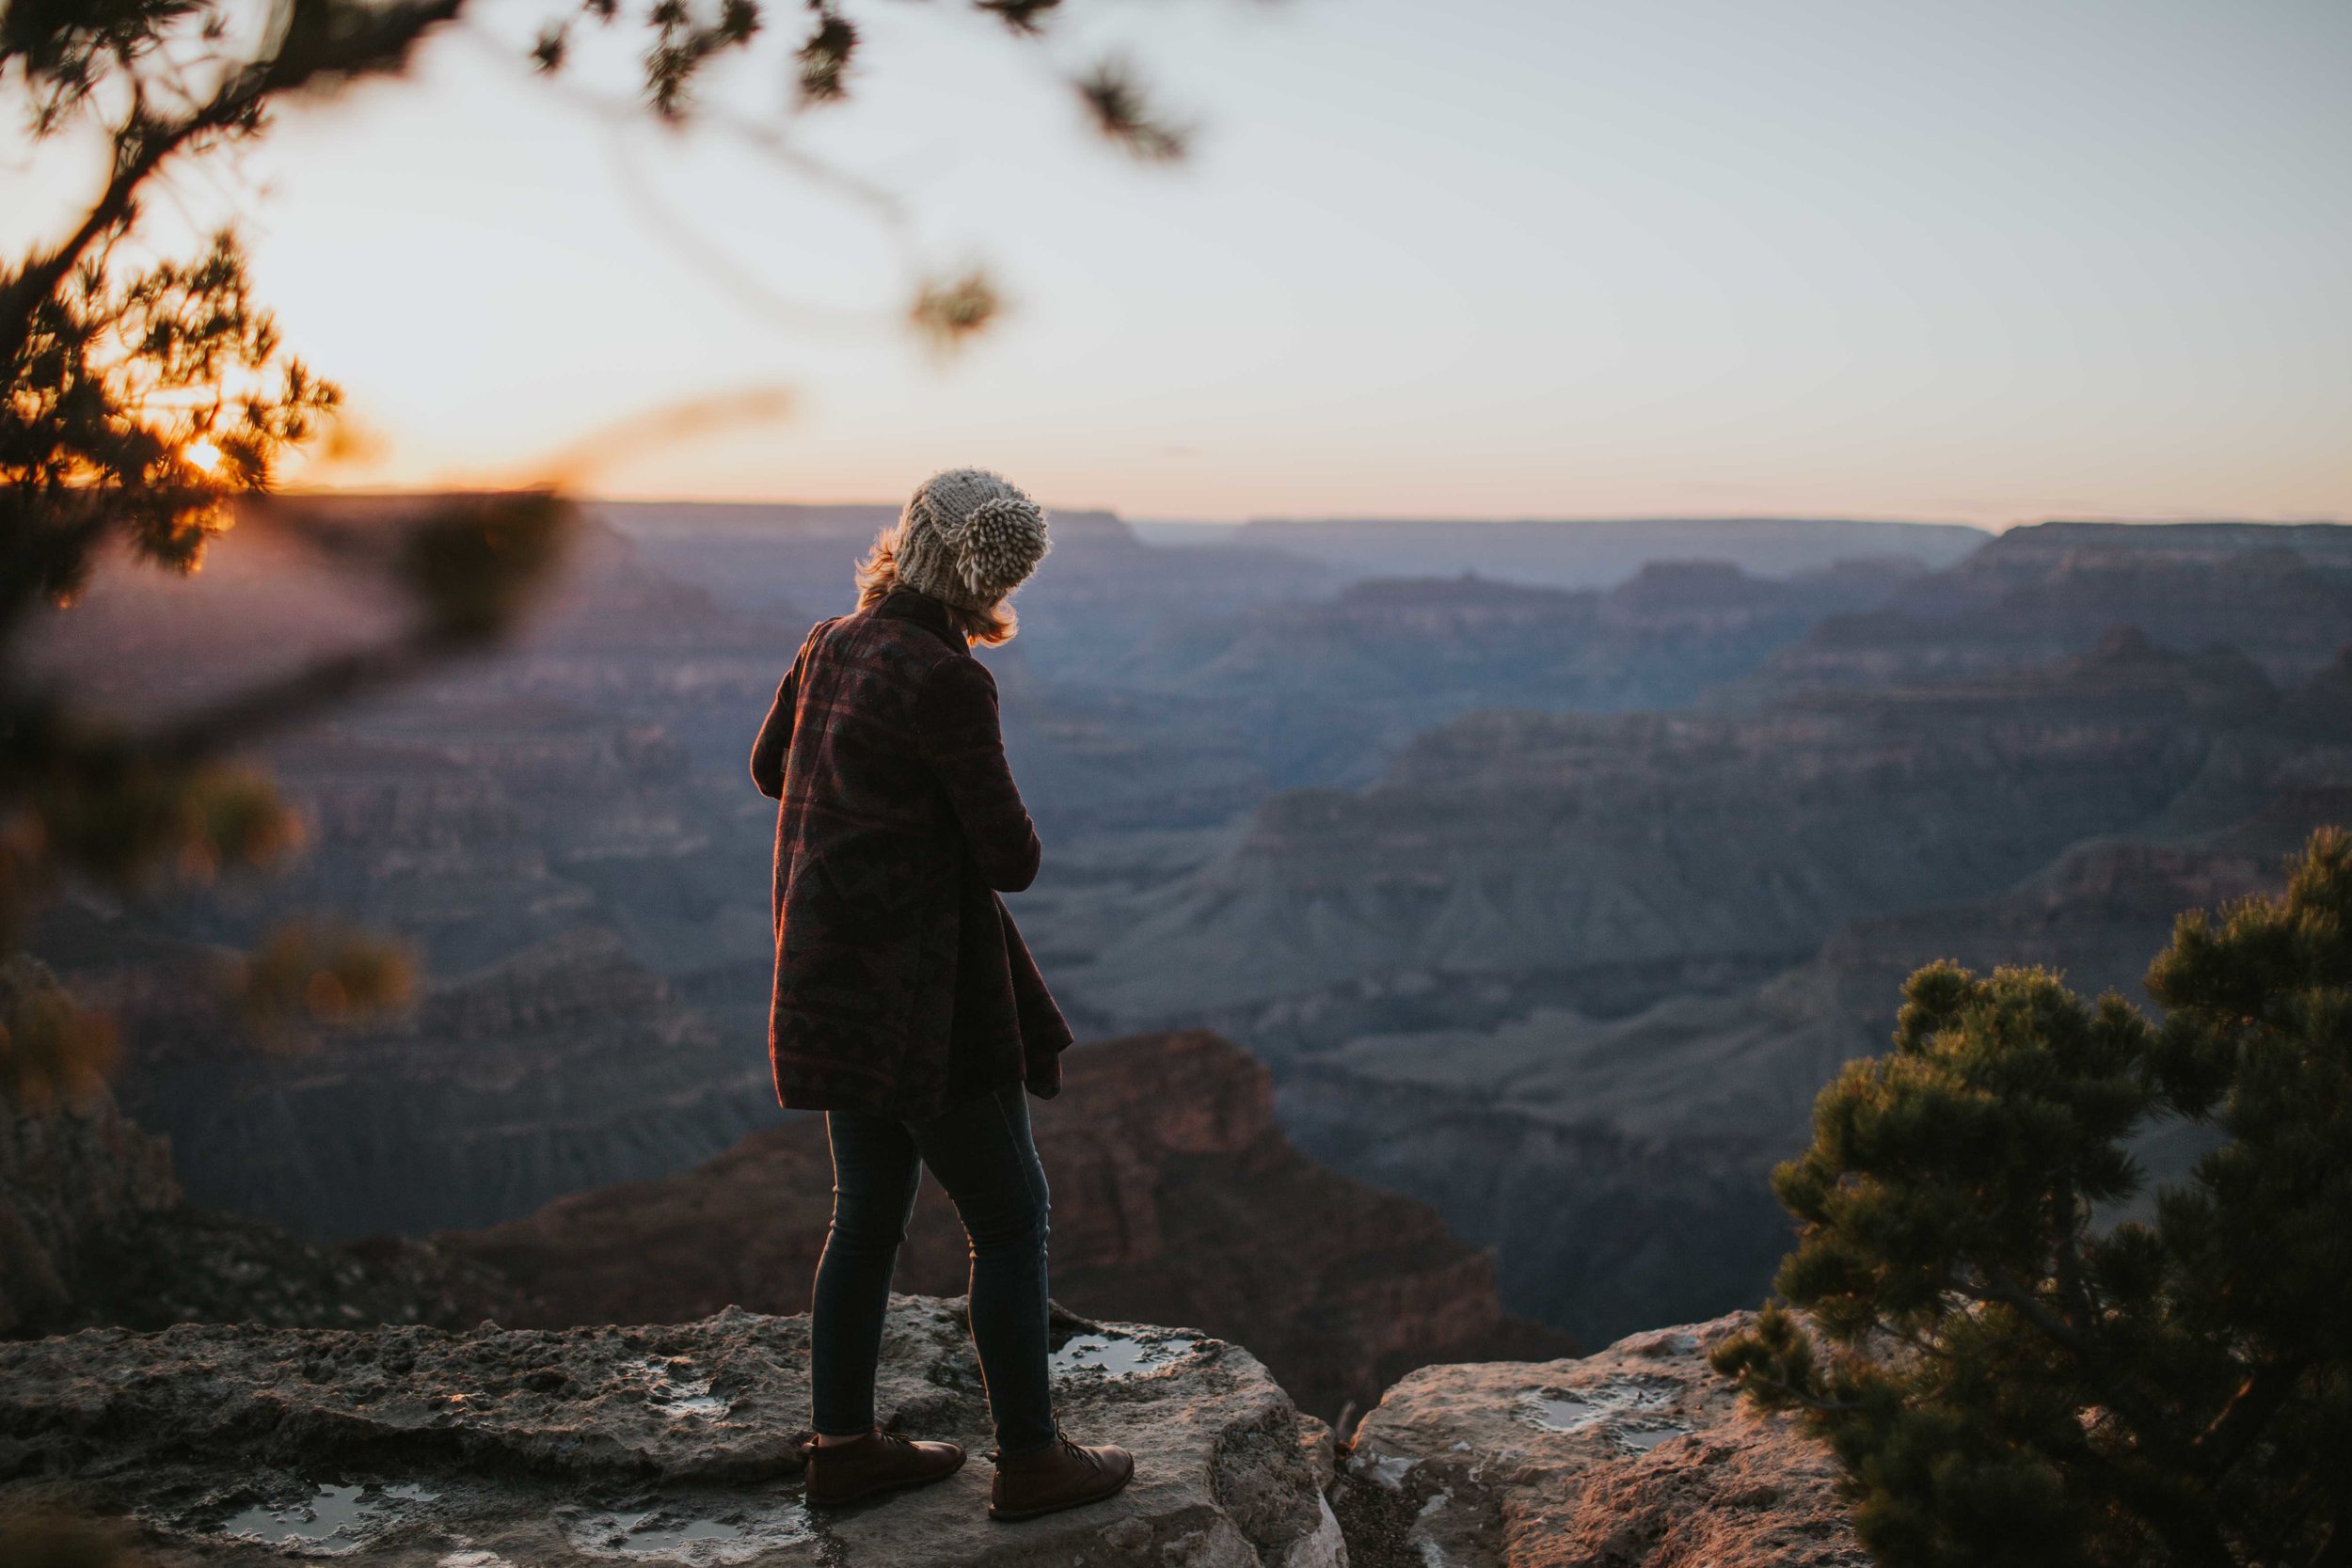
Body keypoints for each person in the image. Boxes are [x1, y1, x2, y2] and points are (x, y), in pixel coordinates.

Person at [749, 468, 1134, 1522]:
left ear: (909, 539)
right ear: (996, 576)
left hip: (828, 976)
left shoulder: (830, 639)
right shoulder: (947, 679)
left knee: (866, 1213)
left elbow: (770, 766)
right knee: (1010, 1218)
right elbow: (1011, 856)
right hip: (926, 997)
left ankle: (841, 1447)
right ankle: (1031, 1458)